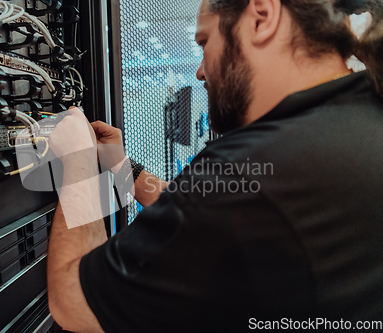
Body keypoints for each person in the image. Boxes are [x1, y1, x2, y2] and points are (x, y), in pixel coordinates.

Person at [45, 0, 383, 331]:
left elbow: (71, 300)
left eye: (205, 42)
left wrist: (79, 159)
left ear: (261, 17)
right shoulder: (355, 121)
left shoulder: (251, 165)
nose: (200, 70)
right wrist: (121, 167)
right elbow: (202, 211)